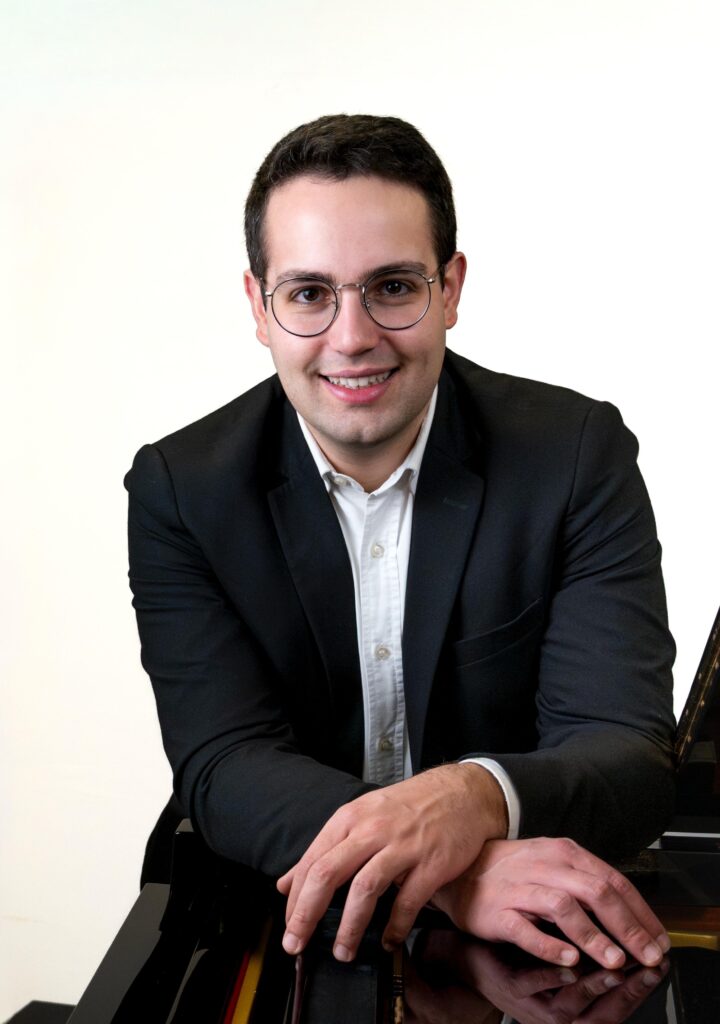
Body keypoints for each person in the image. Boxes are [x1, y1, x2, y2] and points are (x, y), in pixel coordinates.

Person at [125, 114, 675, 973]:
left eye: (391, 286)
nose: (351, 338)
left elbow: (626, 751)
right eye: (309, 294)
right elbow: (226, 762)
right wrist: (450, 868)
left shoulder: (575, 456)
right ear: (260, 308)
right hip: (279, 899)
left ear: (450, 289)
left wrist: (472, 795)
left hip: (529, 921)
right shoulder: (183, 490)